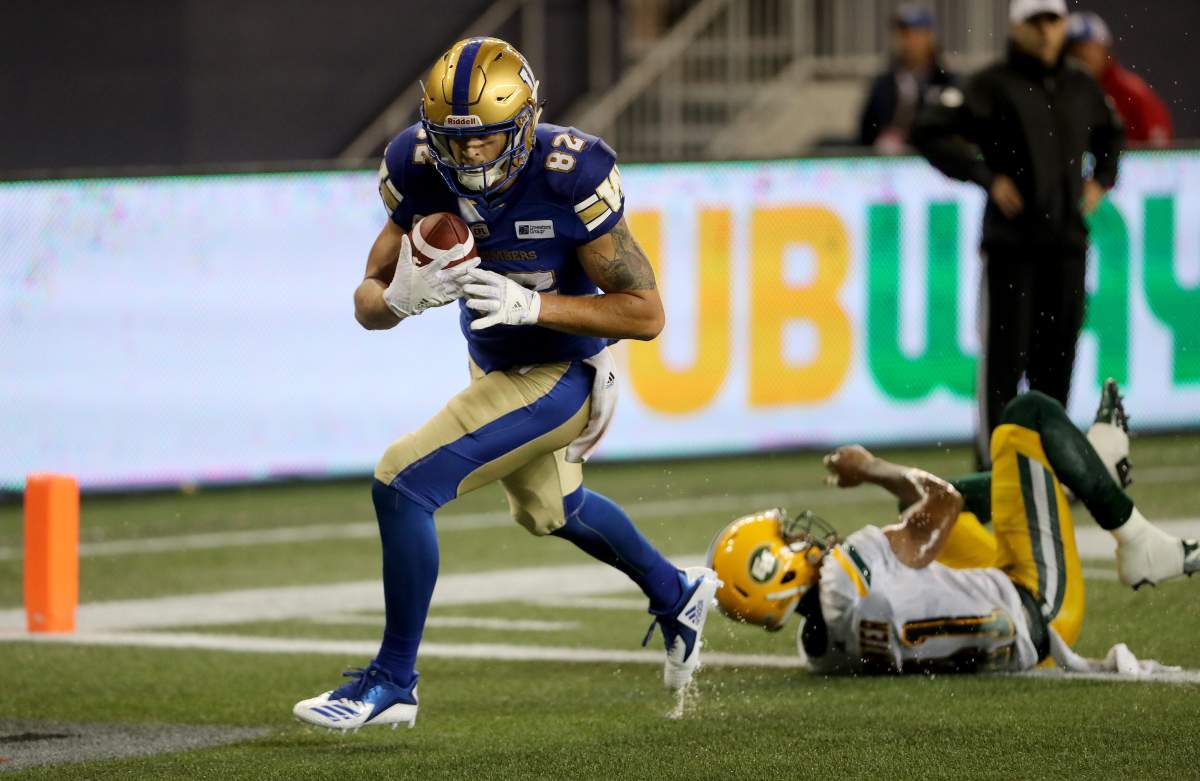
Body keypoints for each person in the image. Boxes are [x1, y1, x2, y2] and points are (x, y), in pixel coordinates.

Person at [292, 37, 719, 731]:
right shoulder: (419, 168)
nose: (469, 159)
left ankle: (394, 679)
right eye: (454, 143)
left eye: (487, 142)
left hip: (562, 372)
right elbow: (365, 301)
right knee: (550, 511)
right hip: (492, 363)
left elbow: (647, 312)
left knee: (402, 483)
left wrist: (537, 305)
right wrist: (399, 298)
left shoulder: (568, 174)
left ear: (523, 126)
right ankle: (678, 594)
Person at [708, 381, 1199, 674]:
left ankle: (1077, 477)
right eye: (788, 540)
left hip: (1007, 636)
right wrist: (870, 467)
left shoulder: (821, 651)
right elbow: (944, 501)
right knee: (1024, 418)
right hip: (1039, 606)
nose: (802, 537)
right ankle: (1137, 540)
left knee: (924, 509)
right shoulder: (844, 570)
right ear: (776, 571)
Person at [910, 0, 1124, 470]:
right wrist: (985, 175)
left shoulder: (1080, 85)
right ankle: (996, 475)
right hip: (1012, 247)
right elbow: (927, 130)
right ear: (1016, 26)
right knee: (1005, 367)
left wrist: (1100, 180)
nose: (1046, 31)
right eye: (1036, 21)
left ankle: (1047, 471)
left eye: (1053, 20)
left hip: (1067, 245)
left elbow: (1112, 133)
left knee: (1057, 365)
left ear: (1065, 24)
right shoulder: (991, 84)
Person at [858, 5, 957, 153]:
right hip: (891, 162)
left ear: (929, 36)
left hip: (934, 160)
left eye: (916, 34)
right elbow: (867, 130)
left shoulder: (945, 81)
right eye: (905, 34)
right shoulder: (884, 83)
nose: (911, 41)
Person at [1066, 11, 1173, 147]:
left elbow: (1158, 153)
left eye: (1089, 48)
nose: (1082, 56)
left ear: (1105, 51)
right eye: (1073, 50)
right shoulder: (1056, 91)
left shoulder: (1132, 93)